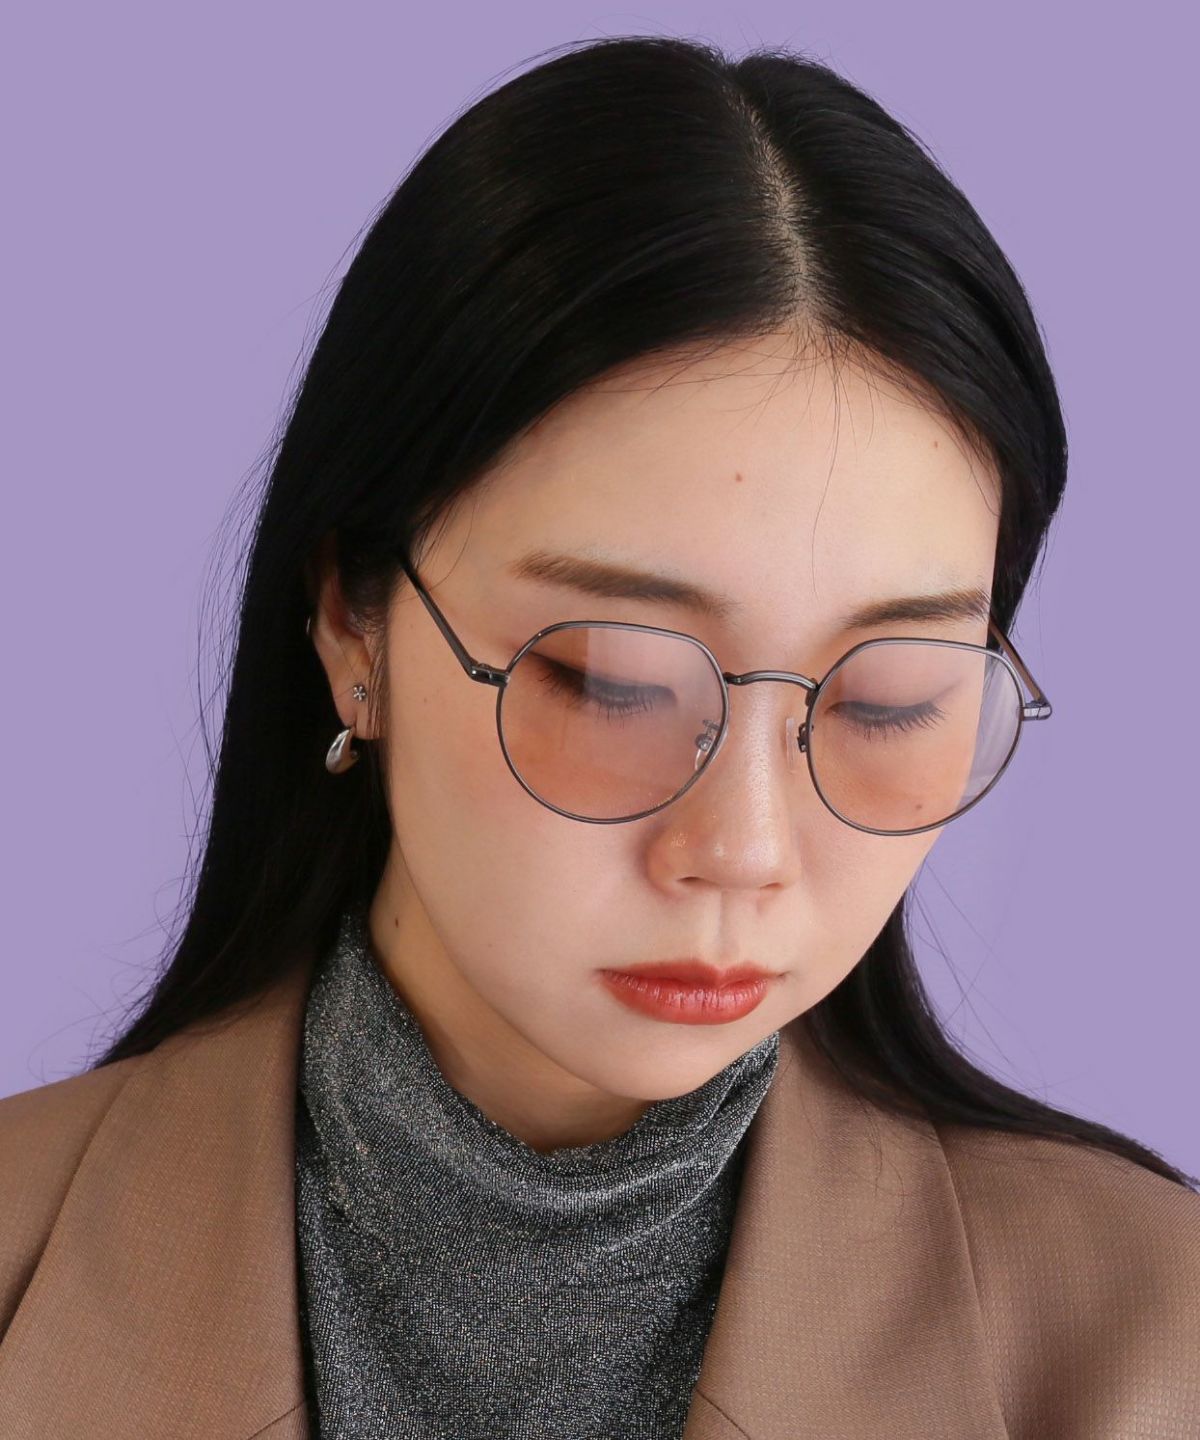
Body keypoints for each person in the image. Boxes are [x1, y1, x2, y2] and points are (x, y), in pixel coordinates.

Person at [1, 33, 1197, 1440]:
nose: (742, 850)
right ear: (351, 625)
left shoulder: (1149, 1343)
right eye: (617, 684)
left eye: (888, 699)